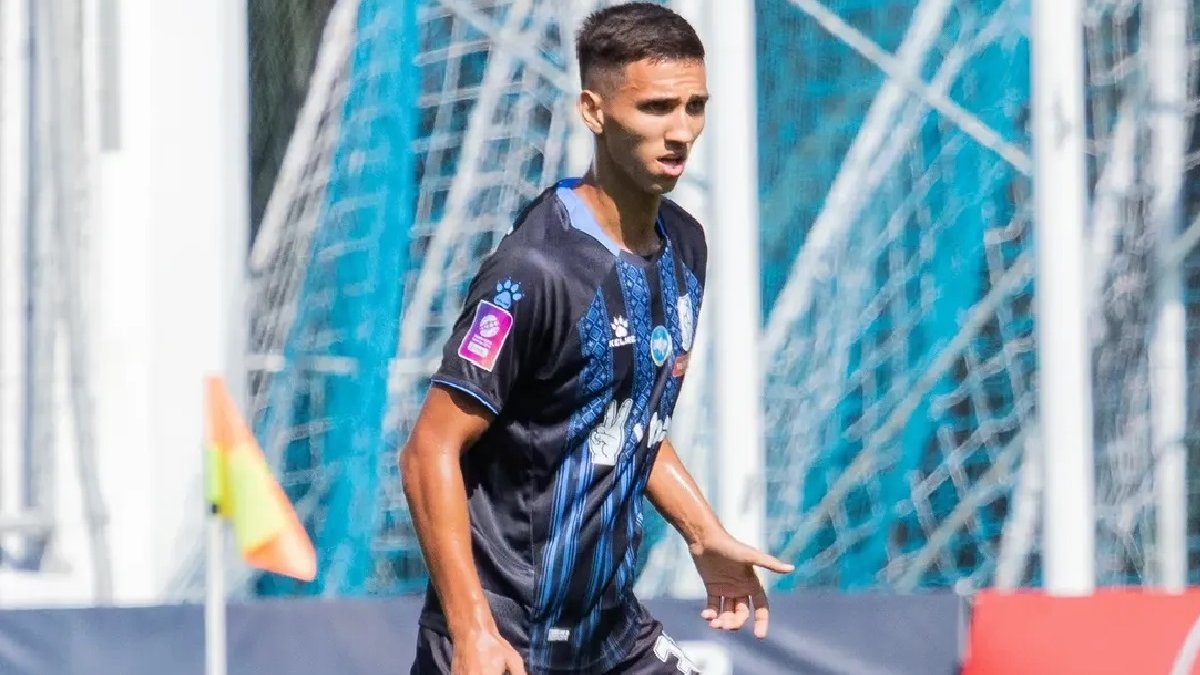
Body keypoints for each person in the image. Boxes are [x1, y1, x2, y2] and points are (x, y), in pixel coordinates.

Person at [400, 3, 793, 673]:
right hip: (504, 638)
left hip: (609, 632)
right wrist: (471, 630)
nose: (681, 131)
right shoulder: (536, 271)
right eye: (656, 108)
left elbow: (622, 416)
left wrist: (703, 532)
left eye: (695, 106)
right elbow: (427, 450)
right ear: (594, 110)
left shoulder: (686, 245)